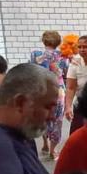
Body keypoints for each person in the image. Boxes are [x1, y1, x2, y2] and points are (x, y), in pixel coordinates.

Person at [31, 30, 66, 160]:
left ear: (43, 41)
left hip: (41, 90)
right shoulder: (63, 55)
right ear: (58, 42)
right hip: (58, 90)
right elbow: (66, 72)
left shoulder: (35, 54)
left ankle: (45, 143)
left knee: (43, 117)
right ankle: (53, 149)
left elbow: (32, 71)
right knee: (57, 120)